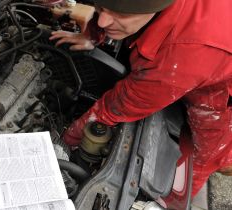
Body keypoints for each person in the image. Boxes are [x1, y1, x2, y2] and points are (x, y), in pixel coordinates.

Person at [49, 0, 232, 197]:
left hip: (220, 95)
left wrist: (68, 139)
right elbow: (114, 5)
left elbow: (120, 105)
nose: (103, 21)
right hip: (196, 54)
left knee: (204, 155)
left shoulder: (185, 52)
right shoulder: (146, 7)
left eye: (120, 15)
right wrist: (93, 35)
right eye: (102, 9)